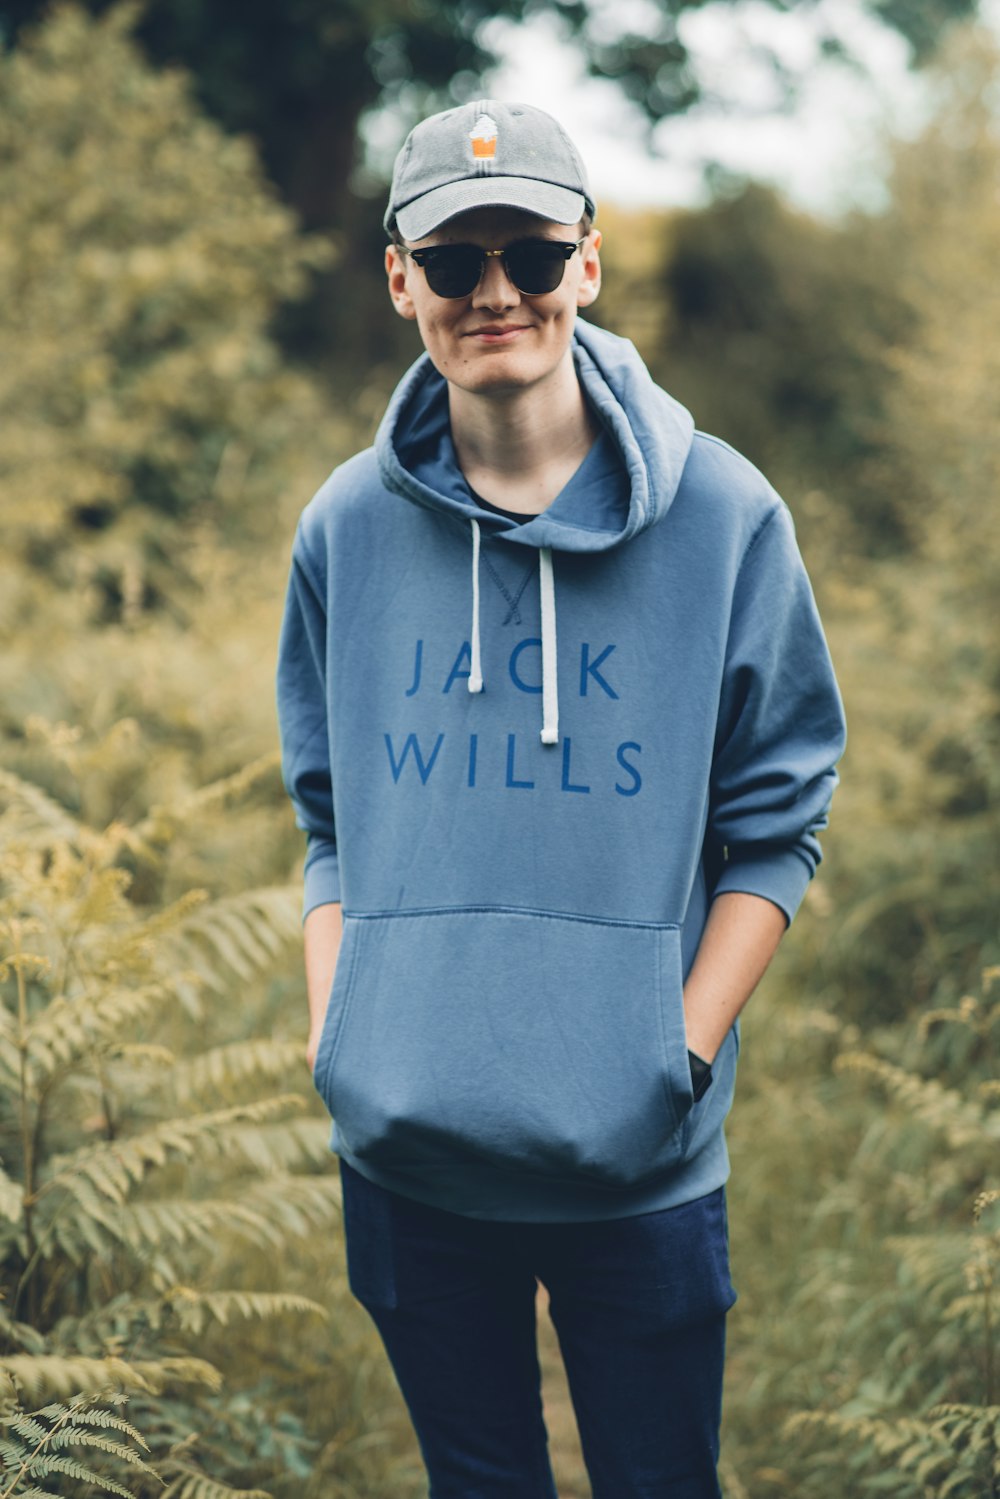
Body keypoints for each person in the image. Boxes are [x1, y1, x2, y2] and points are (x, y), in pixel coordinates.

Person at [276, 98, 846, 1499]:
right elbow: (328, 819)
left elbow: (778, 831)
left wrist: (682, 1052)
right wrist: (341, 1036)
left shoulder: (726, 519)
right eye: (455, 263)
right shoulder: (345, 527)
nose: (495, 296)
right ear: (400, 277)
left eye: (528, 254)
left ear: (587, 264)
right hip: (408, 1166)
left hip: (638, 1172)